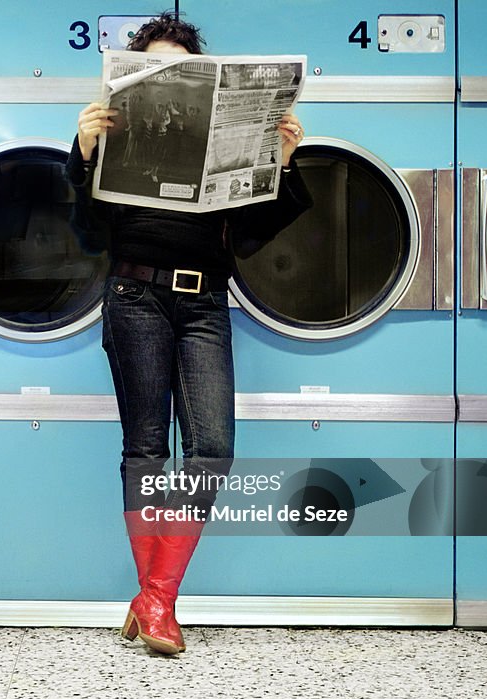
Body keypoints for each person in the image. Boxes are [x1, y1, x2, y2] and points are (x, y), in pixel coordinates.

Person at [66, 12, 312, 655]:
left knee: (212, 447)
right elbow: (88, 232)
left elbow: (255, 235)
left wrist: (282, 162)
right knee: (146, 447)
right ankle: (160, 606)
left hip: (204, 301)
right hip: (134, 295)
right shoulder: (112, 139)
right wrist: (85, 153)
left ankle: (155, 599)